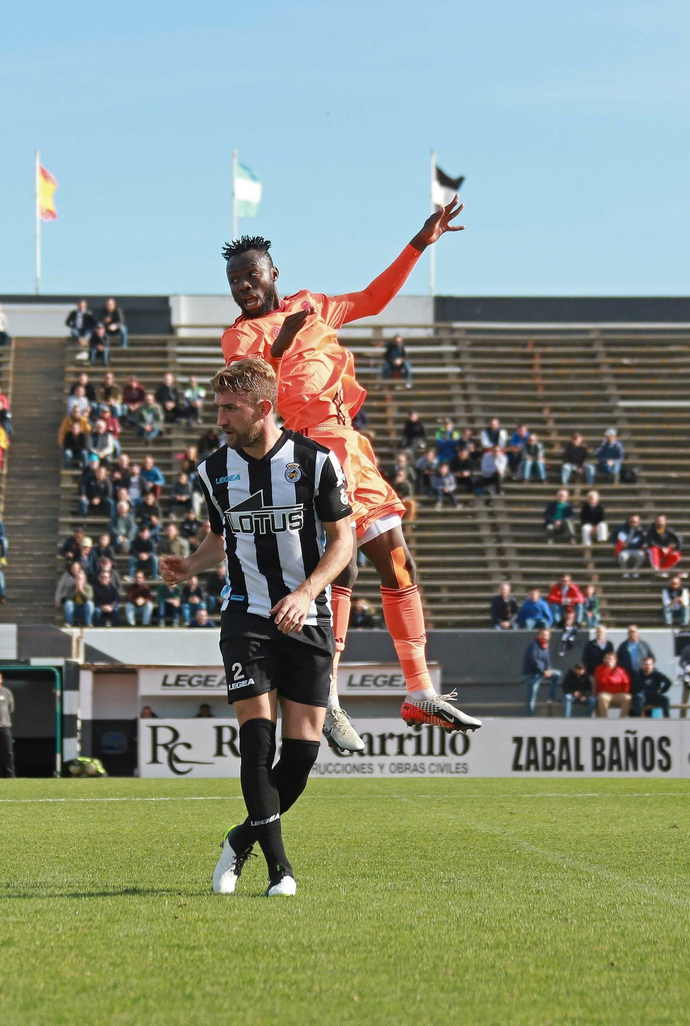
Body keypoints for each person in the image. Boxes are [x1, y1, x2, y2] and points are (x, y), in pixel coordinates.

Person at [216, 201, 478, 749]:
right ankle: (326, 695)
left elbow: (373, 299)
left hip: (350, 445)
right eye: (234, 280)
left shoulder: (313, 305)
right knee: (343, 567)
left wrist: (419, 242)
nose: (243, 286)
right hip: (308, 451)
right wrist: (283, 342)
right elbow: (256, 386)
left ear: (273, 273)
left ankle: (419, 690)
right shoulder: (238, 338)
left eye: (251, 275)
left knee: (397, 558)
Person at [159, 361, 357, 898]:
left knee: (301, 756)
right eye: (218, 407)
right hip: (246, 615)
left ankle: (241, 838)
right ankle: (280, 871)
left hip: (307, 615)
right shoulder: (213, 471)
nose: (219, 418)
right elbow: (220, 539)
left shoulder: (316, 464)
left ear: (263, 408)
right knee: (256, 742)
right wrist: (190, 566)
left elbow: (343, 543)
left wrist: (306, 592)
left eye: (229, 409)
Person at [520, 628, 557, 716]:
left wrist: (548, 669)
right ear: (540, 635)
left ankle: (551, 697)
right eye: (543, 635)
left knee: (557, 675)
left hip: (541, 673)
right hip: (532, 674)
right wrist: (542, 671)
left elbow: (548, 661)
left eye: (547, 635)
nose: (545, 637)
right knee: (532, 696)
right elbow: (533, 660)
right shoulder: (534, 646)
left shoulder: (546, 646)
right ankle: (530, 716)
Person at [593, 649, 631, 718]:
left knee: (628, 698)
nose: (607, 660)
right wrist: (608, 669)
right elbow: (601, 680)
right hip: (605, 694)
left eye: (610, 659)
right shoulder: (599, 669)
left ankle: (622, 719)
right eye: (606, 658)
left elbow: (626, 683)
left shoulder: (621, 670)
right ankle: (603, 719)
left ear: (615, 660)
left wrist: (624, 692)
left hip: (618, 694)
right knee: (602, 697)